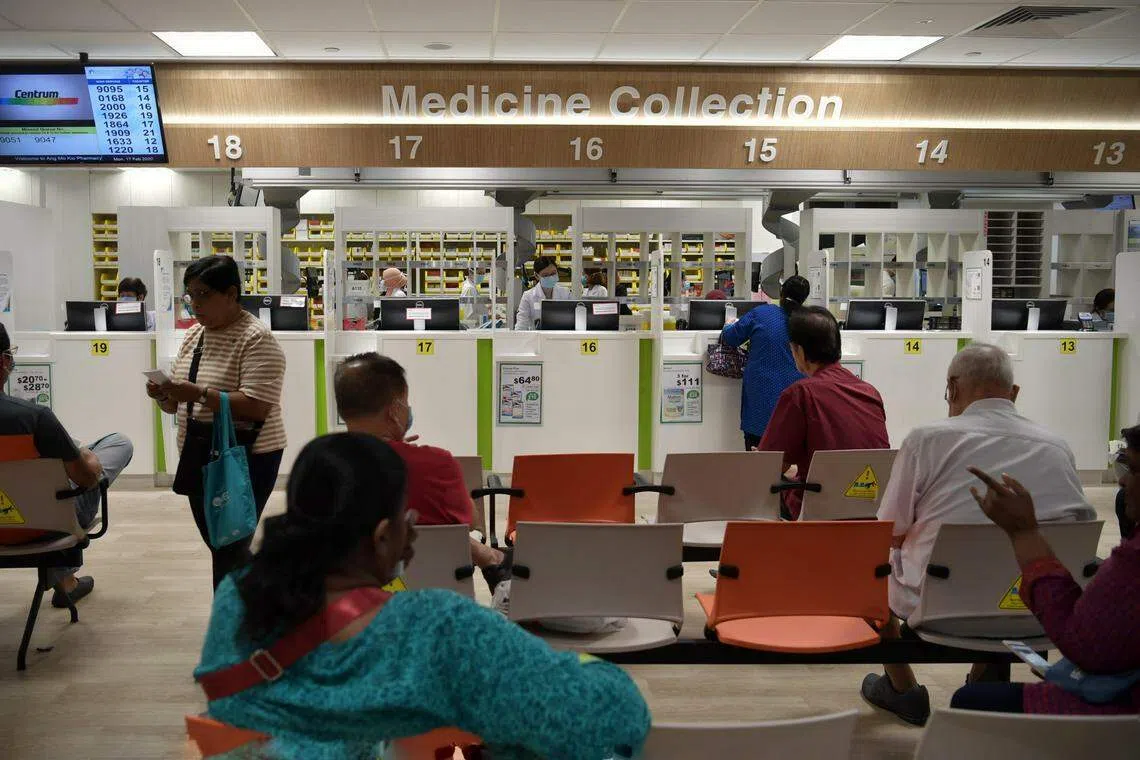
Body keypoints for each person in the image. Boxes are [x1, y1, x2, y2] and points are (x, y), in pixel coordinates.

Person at [194, 433, 651, 759]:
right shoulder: (438, 627)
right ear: (381, 536)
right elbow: (609, 716)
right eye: (406, 517)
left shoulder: (238, 595)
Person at [862, 343, 1097, 726]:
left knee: (873, 563)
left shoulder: (926, 439)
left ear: (952, 389)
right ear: (1014, 394)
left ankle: (902, 689)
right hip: (1037, 610)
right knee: (1002, 566)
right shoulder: (1058, 447)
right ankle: (982, 682)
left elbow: (889, 530)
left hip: (937, 613)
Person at [950, 432, 1140, 716]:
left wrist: (1024, 534)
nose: (1123, 481)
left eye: (1133, 469)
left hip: (1121, 713)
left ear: (952, 388)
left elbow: (1082, 643)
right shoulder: (1058, 443)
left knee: (969, 701)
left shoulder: (1133, 563)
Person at [147, 255, 286, 590]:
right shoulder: (195, 335)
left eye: (204, 294)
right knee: (218, 544)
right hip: (199, 455)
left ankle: (234, 627)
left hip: (246, 457)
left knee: (230, 546)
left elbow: (256, 407)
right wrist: (165, 396)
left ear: (232, 294)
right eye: (190, 295)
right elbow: (180, 406)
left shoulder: (257, 339)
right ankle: (244, 616)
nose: (195, 305)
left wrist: (197, 393)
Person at [332, 352, 507, 590]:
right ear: (394, 410)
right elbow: (471, 523)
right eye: (406, 402)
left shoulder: (322, 464)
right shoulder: (436, 463)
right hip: (432, 601)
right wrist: (402, 450)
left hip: (349, 608)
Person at [0, 322, 133, 607]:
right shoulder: (33, 417)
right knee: (117, 445)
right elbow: (86, 479)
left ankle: (66, 581)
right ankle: (65, 580)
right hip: (40, 526)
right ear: (5, 361)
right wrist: (82, 455)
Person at [755, 305, 889, 519]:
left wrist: (763, 460)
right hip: (868, 514)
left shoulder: (800, 394)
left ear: (798, 351)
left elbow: (766, 467)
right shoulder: (870, 392)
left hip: (816, 517)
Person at [720, 275, 809, 451]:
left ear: (781, 293)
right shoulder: (810, 322)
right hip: (797, 398)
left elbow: (730, 337)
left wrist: (728, 325)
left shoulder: (762, 314)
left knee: (757, 462)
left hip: (761, 397)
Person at [516, 255, 571, 330]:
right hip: (536, 339)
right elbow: (521, 325)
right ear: (536, 275)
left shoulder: (566, 293)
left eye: (553, 273)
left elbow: (572, 320)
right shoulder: (528, 296)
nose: (550, 277)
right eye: (545, 275)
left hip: (560, 337)